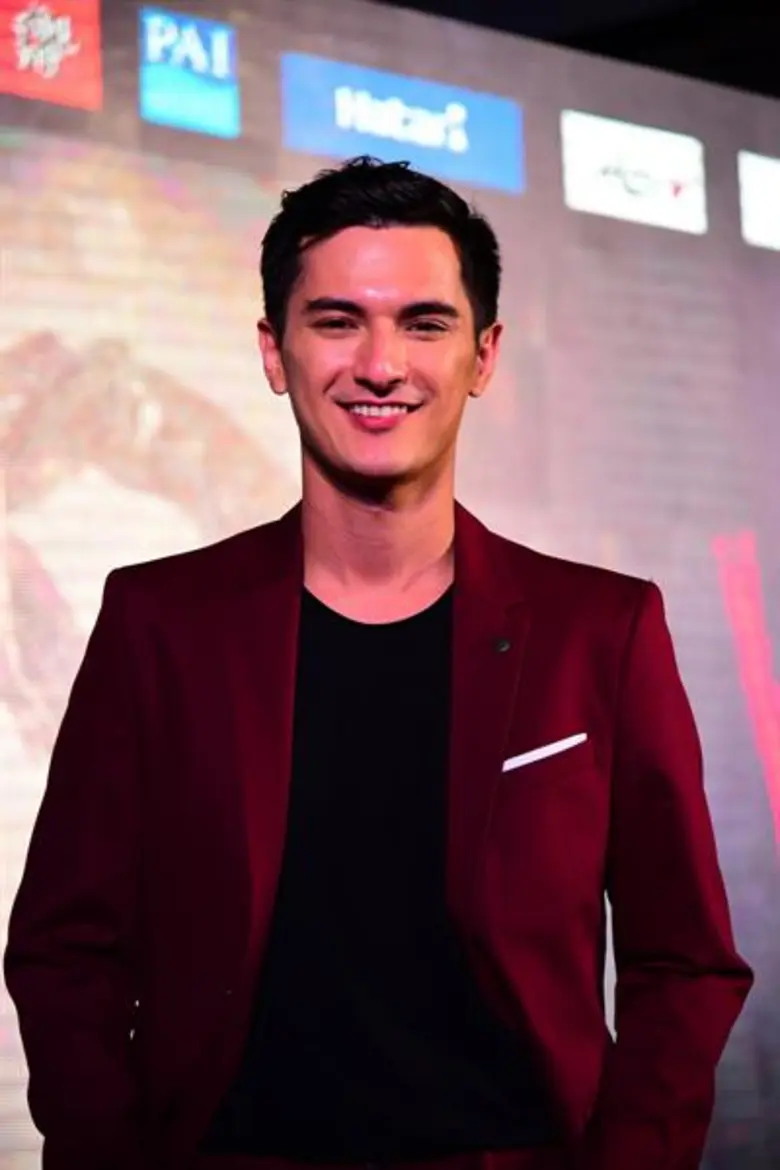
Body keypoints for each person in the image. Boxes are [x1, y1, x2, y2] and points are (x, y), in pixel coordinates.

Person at [4, 156, 752, 1170]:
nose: (380, 364)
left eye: (424, 323)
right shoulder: (159, 623)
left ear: (484, 355)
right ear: (274, 352)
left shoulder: (601, 631)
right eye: (337, 321)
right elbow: (66, 950)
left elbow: (686, 960)